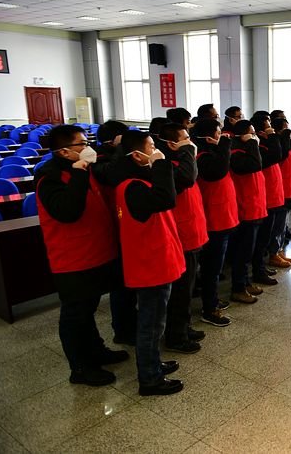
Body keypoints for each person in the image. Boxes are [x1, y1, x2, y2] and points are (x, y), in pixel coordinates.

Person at [36, 125, 128, 387]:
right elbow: (68, 212)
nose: (88, 148)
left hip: (96, 253)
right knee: (75, 315)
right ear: (64, 151)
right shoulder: (49, 178)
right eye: (82, 144)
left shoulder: (85, 168)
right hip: (72, 260)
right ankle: (80, 368)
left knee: (88, 309)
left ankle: (96, 351)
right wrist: (78, 173)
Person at [116, 130, 185, 396]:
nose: (156, 151)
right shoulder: (133, 187)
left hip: (155, 261)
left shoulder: (137, 183)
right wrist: (161, 165)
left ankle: (154, 363)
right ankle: (150, 379)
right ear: (136, 155)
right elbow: (166, 198)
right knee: (151, 324)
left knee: (155, 321)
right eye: (152, 147)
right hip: (150, 265)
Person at [157, 123, 208, 352]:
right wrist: (188, 151)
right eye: (185, 139)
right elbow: (187, 178)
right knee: (180, 292)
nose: (190, 142)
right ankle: (176, 336)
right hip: (181, 237)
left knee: (187, 289)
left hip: (193, 233)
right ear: (171, 144)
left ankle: (184, 327)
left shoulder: (184, 162)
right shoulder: (168, 166)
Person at [92, 120, 138, 346]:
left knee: (131, 282)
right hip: (113, 228)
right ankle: (122, 330)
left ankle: (131, 323)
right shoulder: (99, 160)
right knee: (121, 285)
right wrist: (122, 149)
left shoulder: (119, 156)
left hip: (126, 224)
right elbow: (112, 175)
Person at [193, 118, 237, 326]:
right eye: (219, 133)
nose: (222, 136)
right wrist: (225, 145)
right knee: (212, 267)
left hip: (223, 217)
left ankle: (212, 300)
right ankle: (209, 308)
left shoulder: (214, 153)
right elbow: (218, 171)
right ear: (208, 136)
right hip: (213, 220)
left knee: (216, 266)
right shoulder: (202, 157)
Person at [229, 120, 267, 302]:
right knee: (242, 252)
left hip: (256, 206)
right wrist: (252, 143)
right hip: (245, 208)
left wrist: (252, 143)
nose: (255, 136)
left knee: (249, 250)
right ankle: (238, 287)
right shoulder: (236, 153)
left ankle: (245, 282)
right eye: (252, 133)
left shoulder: (249, 149)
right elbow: (255, 165)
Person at [251, 113, 284, 284]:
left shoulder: (266, 143)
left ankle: (261, 267)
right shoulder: (260, 146)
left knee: (266, 236)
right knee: (261, 239)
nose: (271, 128)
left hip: (273, 196)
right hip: (265, 198)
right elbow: (277, 155)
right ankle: (258, 270)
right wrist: (273, 136)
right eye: (268, 126)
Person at [270, 117, 291, 268]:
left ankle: (279, 251)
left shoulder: (285, 142)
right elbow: (283, 155)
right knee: (277, 225)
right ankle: (274, 253)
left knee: (282, 224)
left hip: (287, 189)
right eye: (285, 128)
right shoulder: (278, 145)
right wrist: (284, 137)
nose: (288, 131)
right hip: (279, 189)